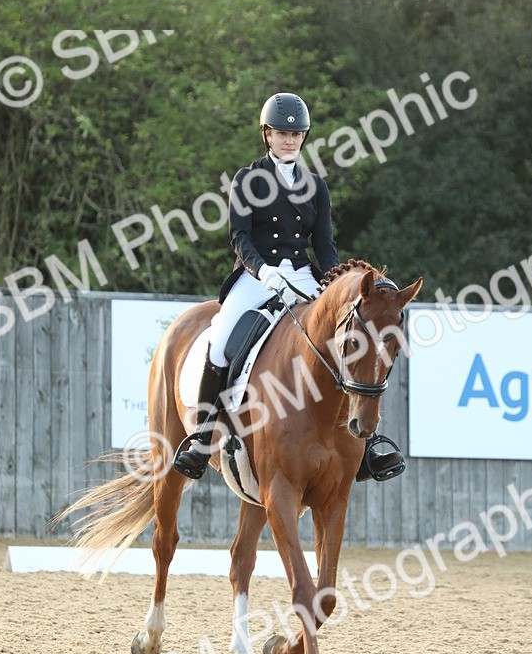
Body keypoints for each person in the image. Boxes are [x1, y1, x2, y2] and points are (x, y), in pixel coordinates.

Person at [172, 92, 405, 483]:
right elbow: (239, 237)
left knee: (347, 337)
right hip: (255, 277)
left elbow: (326, 246)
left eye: (296, 135)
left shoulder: (316, 186)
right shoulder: (247, 179)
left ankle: (366, 442)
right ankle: (203, 436)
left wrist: (334, 285)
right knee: (221, 339)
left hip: (303, 277)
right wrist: (262, 271)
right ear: (267, 135)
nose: (289, 140)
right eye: (282, 133)